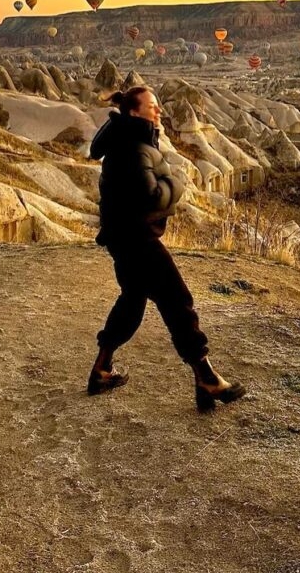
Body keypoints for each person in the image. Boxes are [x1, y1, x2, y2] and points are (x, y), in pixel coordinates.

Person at [88, 85, 246, 412]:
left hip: (124, 237)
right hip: (137, 240)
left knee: (132, 303)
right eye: (152, 106)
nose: (158, 111)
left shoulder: (130, 140)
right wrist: (178, 182)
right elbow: (150, 197)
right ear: (134, 112)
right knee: (178, 302)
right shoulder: (133, 147)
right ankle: (206, 377)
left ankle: (102, 369)